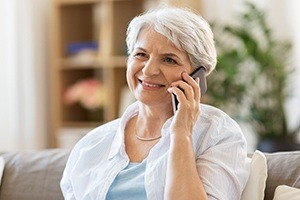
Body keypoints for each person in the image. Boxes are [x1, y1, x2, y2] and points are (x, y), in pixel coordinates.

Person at [60, 5, 249, 200]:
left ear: (197, 76)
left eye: (169, 60)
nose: (149, 70)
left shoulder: (218, 134)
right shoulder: (91, 145)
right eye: (141, 54)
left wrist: (181, 134)